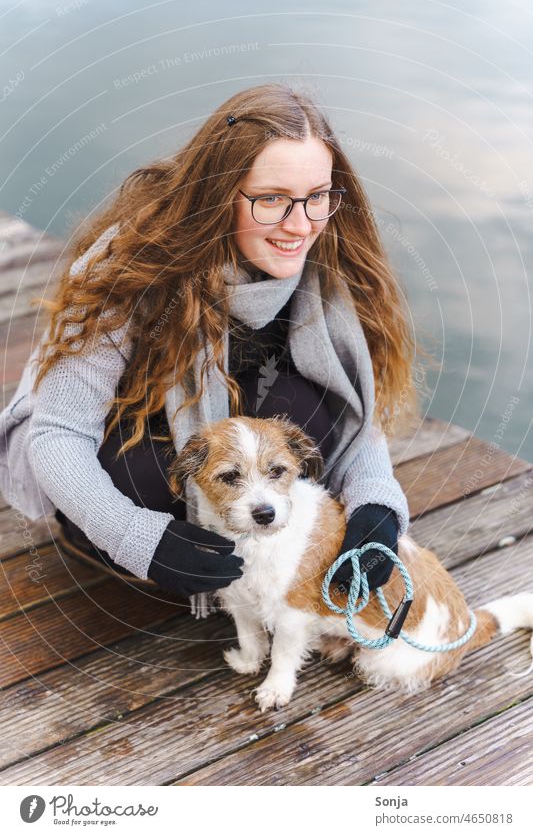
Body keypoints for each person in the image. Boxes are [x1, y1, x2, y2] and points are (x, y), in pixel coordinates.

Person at [0, 82, 423, 608]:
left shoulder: (329, 269)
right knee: (152, 479)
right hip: (137, 449)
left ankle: (253, 554)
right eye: (271, 199)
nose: (301, 225)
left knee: (309, 409)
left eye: (318, 196)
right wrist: (137, 537)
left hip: (235, 449)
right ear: (219, 193)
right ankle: (104, 540)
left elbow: (353, 412)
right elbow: (58, 433)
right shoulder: (126, 268)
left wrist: (378, 503)